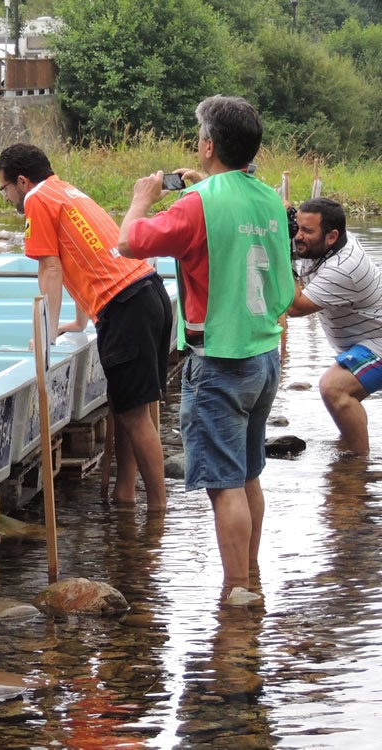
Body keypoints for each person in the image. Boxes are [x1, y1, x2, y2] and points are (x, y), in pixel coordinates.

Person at [117, 95, 294, 590]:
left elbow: (129, 243)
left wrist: (141, 199)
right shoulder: (269, 200)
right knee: (250, 473)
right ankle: (251, 576)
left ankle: (236, 593)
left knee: (224, 485)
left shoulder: (199, 204)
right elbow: (276, 281)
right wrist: (207, 187)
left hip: (219, 359)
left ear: (208, 145)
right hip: (264, 353)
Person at [0, 143, 172, 512]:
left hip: (125, 305)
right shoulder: (65, 189)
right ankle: (125, 493)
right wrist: (79, 320)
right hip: (144, 291)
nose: (5, 196)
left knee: (136, 416)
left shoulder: (38, 200)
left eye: (4, 188)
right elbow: (82, 254)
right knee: (127, 406)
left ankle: (158, 510)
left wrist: (46, 330)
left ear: (22, 182)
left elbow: (51, 267)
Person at [287, 197, 382, 456]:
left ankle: (356, 470)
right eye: (297, 228)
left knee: (335, 387)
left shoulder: (345, 267)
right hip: (364, 341)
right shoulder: (321, 246)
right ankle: (350, 445)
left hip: (378, 345)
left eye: (307, 231)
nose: (298, 237)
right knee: (343, 396)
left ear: (332, 236)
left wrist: (284, 255)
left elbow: (294, 307)